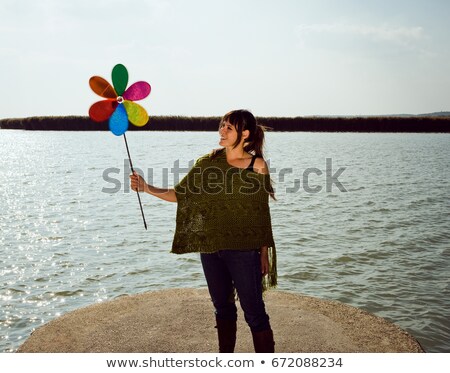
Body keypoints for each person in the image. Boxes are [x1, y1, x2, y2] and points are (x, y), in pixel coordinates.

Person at [130, 109, 277, 353]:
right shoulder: (207, 162)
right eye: (222, 126)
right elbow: (181, 194)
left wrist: (263, 252)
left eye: (229, 128)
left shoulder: (257, 166)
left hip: (245, 252)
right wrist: (147, 188)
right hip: (211, 250)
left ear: (246, 134)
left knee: (254, 313)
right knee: (222, 308)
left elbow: (261, 214)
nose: (221, 131)